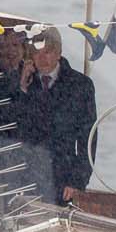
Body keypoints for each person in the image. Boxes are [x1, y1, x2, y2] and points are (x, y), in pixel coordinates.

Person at [13, 26, 98, 202]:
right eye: (37, 53)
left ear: (59, 53)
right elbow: (12, 125)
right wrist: (22, 88)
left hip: (62, 176)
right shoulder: (22, 82)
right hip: (25, 176)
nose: (42, 58)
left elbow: (88, 138)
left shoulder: (80, 86)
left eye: (48, 52)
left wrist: (78, 180)